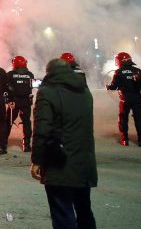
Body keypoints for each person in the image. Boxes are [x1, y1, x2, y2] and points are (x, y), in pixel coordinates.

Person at [30, 58, 97, 229]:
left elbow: (42, 130)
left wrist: (37, 160)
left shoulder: (47, 92)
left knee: (62, 213)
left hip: (59, 162)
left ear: (49, 73)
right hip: (84, 162)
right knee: (84, 210)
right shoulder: (85, 91)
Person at [106, 52, 141, 147]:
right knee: (139, 119)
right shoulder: (138, 70)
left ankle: (125, 139)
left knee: (123, 119)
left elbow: (114, 86)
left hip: (125, 99)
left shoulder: (119, 71)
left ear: (119, 61)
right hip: (137, 98)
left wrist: (108, 87)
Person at [7, 56, 36, 152]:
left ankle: (2, 143)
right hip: (25, 101)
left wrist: (8, 100)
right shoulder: (30, 74)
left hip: (13, 101)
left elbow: (6, 87)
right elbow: (32, 87)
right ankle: (26, 145)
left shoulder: (10, 74)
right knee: (26, 122)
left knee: (8, 122)